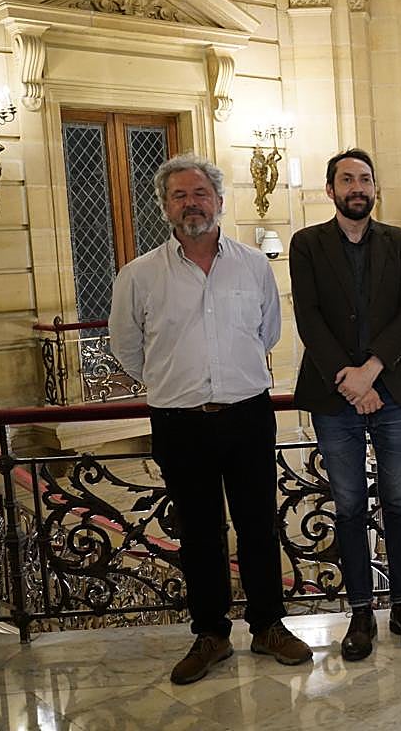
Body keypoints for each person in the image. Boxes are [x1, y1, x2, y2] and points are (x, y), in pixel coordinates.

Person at [109, 154, 311, 685]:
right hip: (179, 421)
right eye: (180, 195)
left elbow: (267, 333)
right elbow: (129, 350)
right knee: (198, 531)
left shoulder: (252, 265)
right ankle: (211, 634)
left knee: (258, 526)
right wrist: (177, 380)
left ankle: (268, 626)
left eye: (200, 193)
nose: (192, 202)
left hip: (247, 414)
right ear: (166, 207)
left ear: (219, 202)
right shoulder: (140, 275)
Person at [289, 148, 401, 659]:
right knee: (348, 507)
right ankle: (361, 615)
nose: (357, 187)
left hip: (391, 391)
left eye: (365, 179)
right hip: (333, 397)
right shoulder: (306, 244)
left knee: (397, 502)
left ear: (375, 189)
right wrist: (347, 379)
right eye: (346, 179)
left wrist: (371, 370)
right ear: (330, 190)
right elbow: (309, 318)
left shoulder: (399, 242)